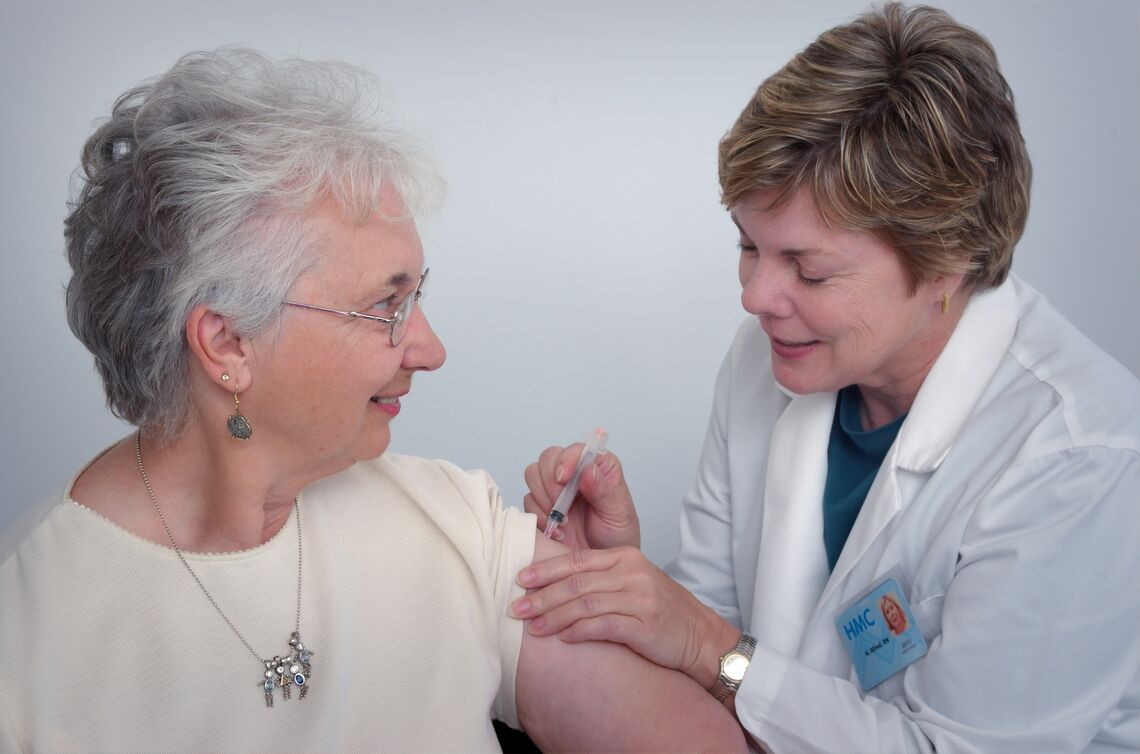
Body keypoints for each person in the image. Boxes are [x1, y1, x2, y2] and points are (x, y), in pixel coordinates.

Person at [0, 47, 745, 754]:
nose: (430, 348)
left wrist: (622, 611)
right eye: (385, 306)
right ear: (227, 345)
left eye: (416, 295)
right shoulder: (26, 635)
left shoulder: (456, 529)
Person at [511, 4, 1140, 752]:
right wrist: (623, 582)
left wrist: (709, 645)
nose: (755, 297)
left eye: (808, 269)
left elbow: (958, 746)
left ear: (946, 259)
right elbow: (699, 639)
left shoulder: (1080, 457)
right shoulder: (765, 361)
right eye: (749, 246)